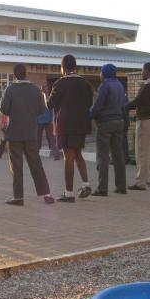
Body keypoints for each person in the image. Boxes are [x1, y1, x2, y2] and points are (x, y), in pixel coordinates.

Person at [1, 64, 53, 205]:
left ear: (15, 75)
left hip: (14, 133)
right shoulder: (35, 90)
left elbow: (4, 109)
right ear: (26, 74)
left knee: (17, 167)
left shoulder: (10, 89)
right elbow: (42, 110)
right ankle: (47, 194)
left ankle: (18, 197)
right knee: (36, 164)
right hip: (31, 132)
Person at [47, 55, 93, 201]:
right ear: (75, 66)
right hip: (81, 124)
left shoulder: (60, 83)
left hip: (65, 124)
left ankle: (69, 193)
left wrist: (44, 94)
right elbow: (89, 103)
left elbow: (49, 104)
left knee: (68, 157)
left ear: (62, 67)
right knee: (78, 154)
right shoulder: (85, 83)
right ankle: (86, 184)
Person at [89, 64, 127, 196]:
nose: (100, 74)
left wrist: (89, 116)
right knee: (118, 155)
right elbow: (123, 105)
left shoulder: (105, 85)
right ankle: (121, 187)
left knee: (103, 156)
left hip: (106, 122)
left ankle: (102, 188)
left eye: (101, 72)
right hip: (119, 121)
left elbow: (98, 105)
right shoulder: (120, 85)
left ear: (104, 73)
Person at [126, 62, 150, 190]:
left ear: (147, 71)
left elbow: (137, 101)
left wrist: (123, 107)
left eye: (142, 71)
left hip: (145, 120)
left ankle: (140, 182)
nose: (142, 73)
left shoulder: (148, 85)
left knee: (142, 152)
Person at [37, 86, 60, 160]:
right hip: (47, 121)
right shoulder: (49, 98)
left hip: (39, 121)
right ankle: (56, 155)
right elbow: (51, 109)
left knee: (38, 138)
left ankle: (35, 154)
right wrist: (51, 120)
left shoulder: (38, 98)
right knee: (51, 138)